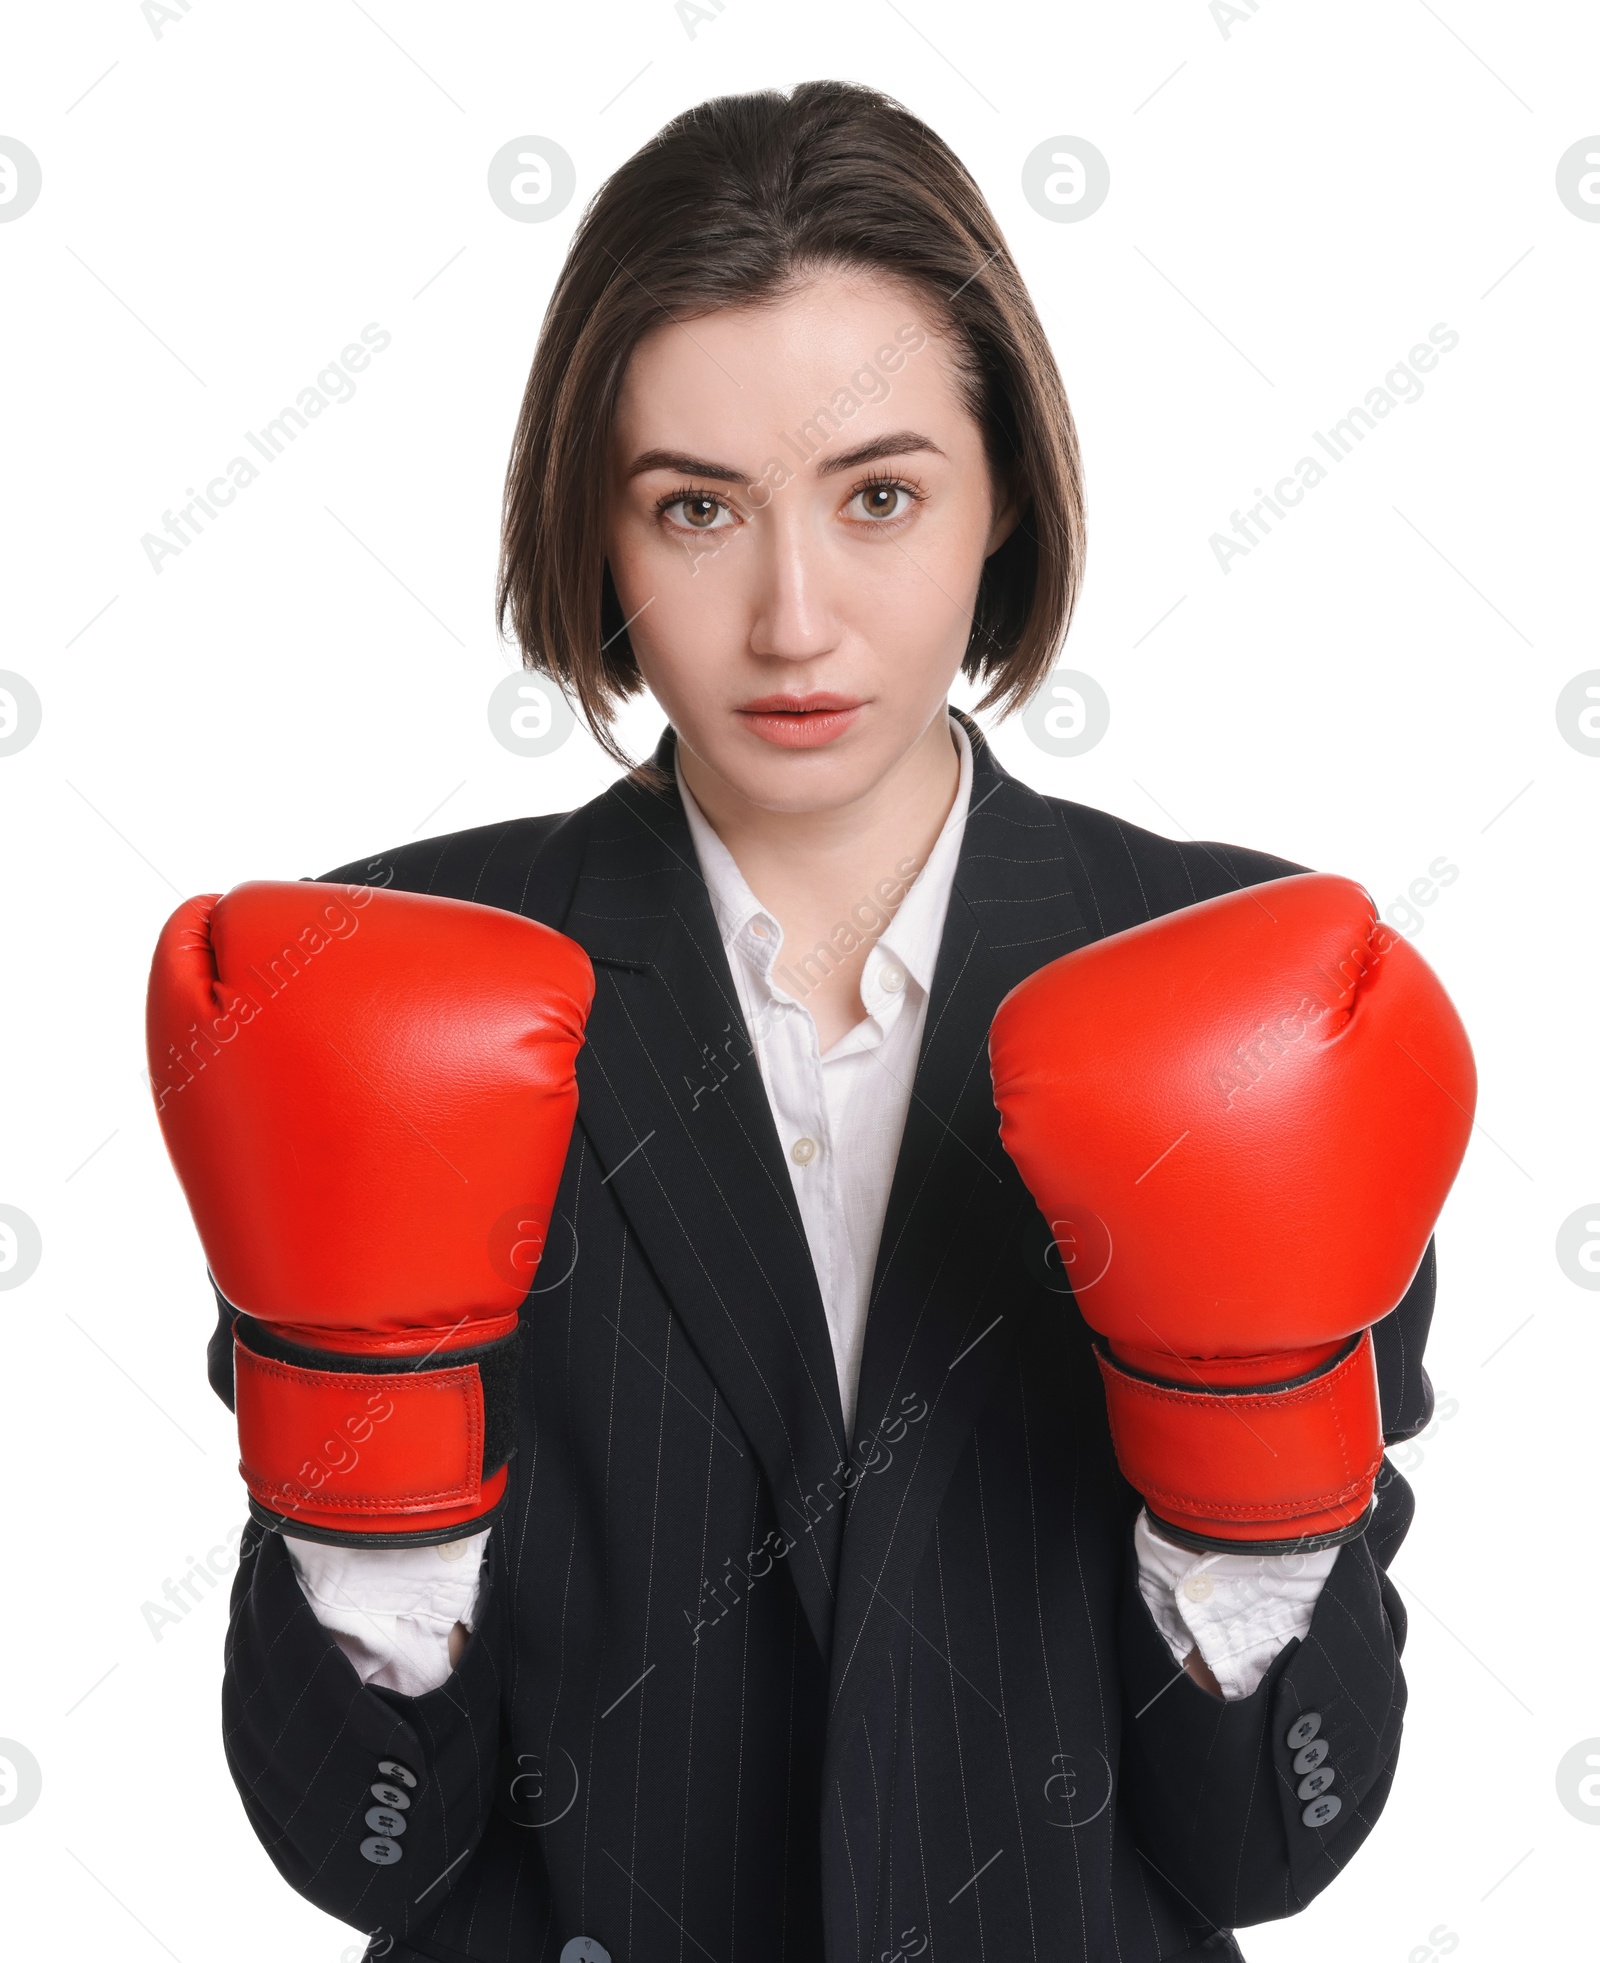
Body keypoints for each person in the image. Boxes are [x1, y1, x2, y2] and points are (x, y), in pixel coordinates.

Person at [150, 82, 1462, 1963]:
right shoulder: (373, 974)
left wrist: (1243, 1526)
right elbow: (361, 1850)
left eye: (879, 496)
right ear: (592, 531)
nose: (791, 618)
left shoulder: (1248, 971)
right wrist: (376, 1512)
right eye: (697, 507)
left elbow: (1265, 1850)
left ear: (1003, 492)